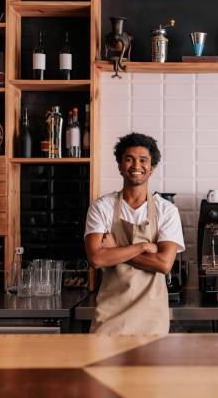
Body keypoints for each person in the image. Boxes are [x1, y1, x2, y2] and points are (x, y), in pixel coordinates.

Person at [84, 133, 185, 335]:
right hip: (110, 315)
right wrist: (143, 247)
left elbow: (164, 264)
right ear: (120, 165)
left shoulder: (166, 211)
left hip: (152, 318)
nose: (135, 165)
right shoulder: (102, 207)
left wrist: (114, 251)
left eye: (143, 160)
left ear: (152, 168)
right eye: (129, 159)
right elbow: (96, 258)